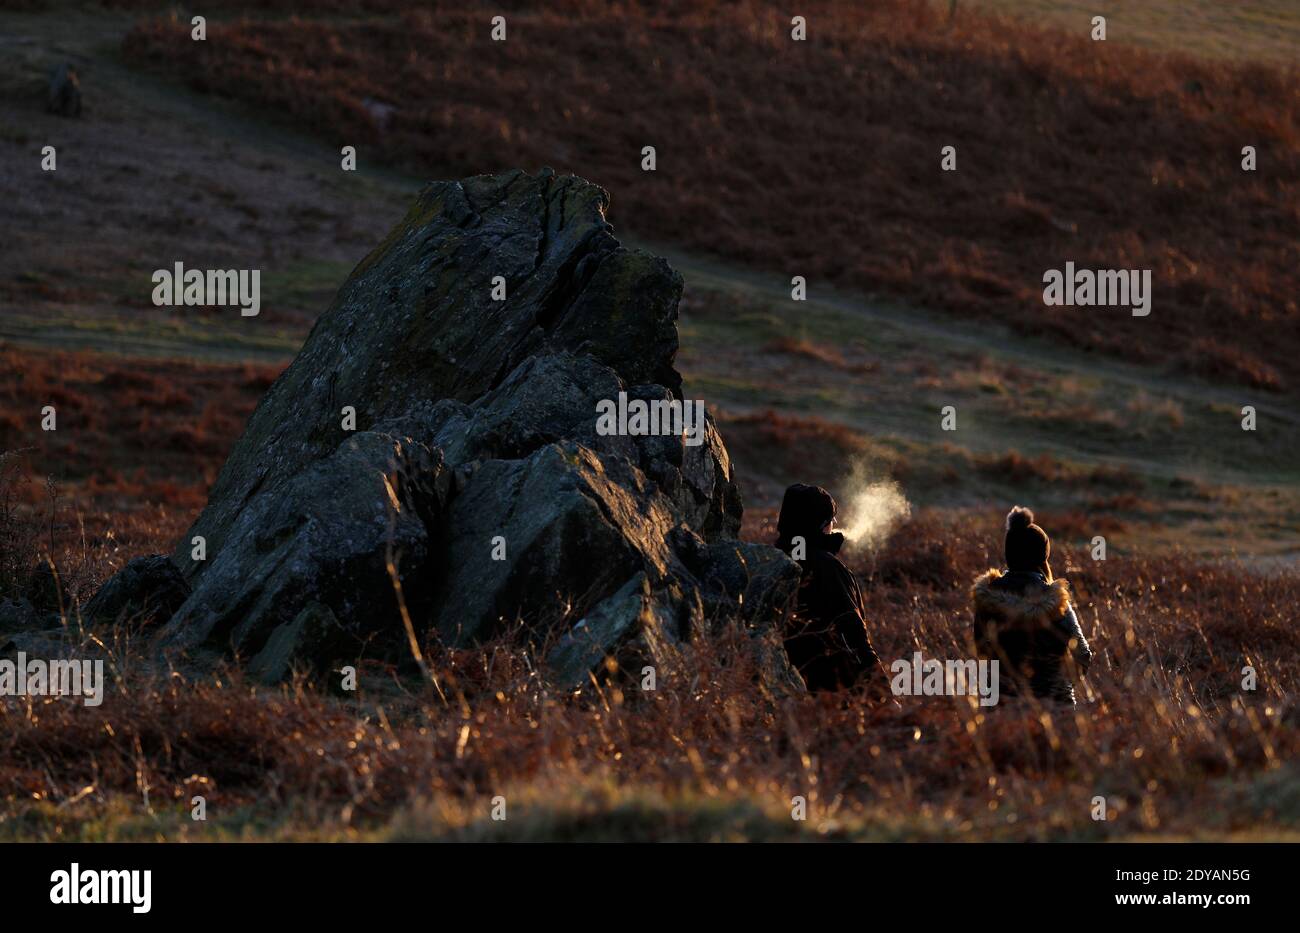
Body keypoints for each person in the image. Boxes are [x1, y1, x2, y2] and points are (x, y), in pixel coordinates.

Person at [971, 506, 1092, 704]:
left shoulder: (986, 600)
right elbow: (1083, 655)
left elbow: (981, 653)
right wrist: (1058, 686)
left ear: (1009, 554)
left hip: (1000, 708)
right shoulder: (1056, 603)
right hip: (1053, 709)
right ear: (1042, 556)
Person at [775, 483, 880, 692]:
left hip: (784, 685)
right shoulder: (828, 569)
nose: (834, 524)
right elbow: (854, 636)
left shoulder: (770, 561)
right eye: (831, 518)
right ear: (822, 523)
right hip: (833, 692)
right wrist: (881, 690)